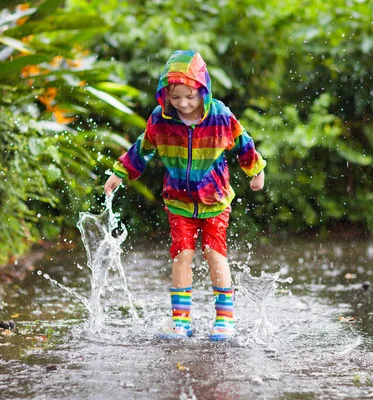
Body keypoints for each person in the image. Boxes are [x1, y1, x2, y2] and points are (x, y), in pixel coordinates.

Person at [104, 50, 266, 341]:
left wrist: (256, 171)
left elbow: (243, 143)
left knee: (214, 253)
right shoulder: (161, 120)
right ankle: (181, 321)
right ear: (165, 94)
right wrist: (120, 173)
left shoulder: (219, 116)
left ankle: (225, 320)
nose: (183, 103)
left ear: (203, 91)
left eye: (190, 96)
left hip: (214, 200)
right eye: (175, 97)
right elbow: (143, 148)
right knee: (182, 255)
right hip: (178, 201)